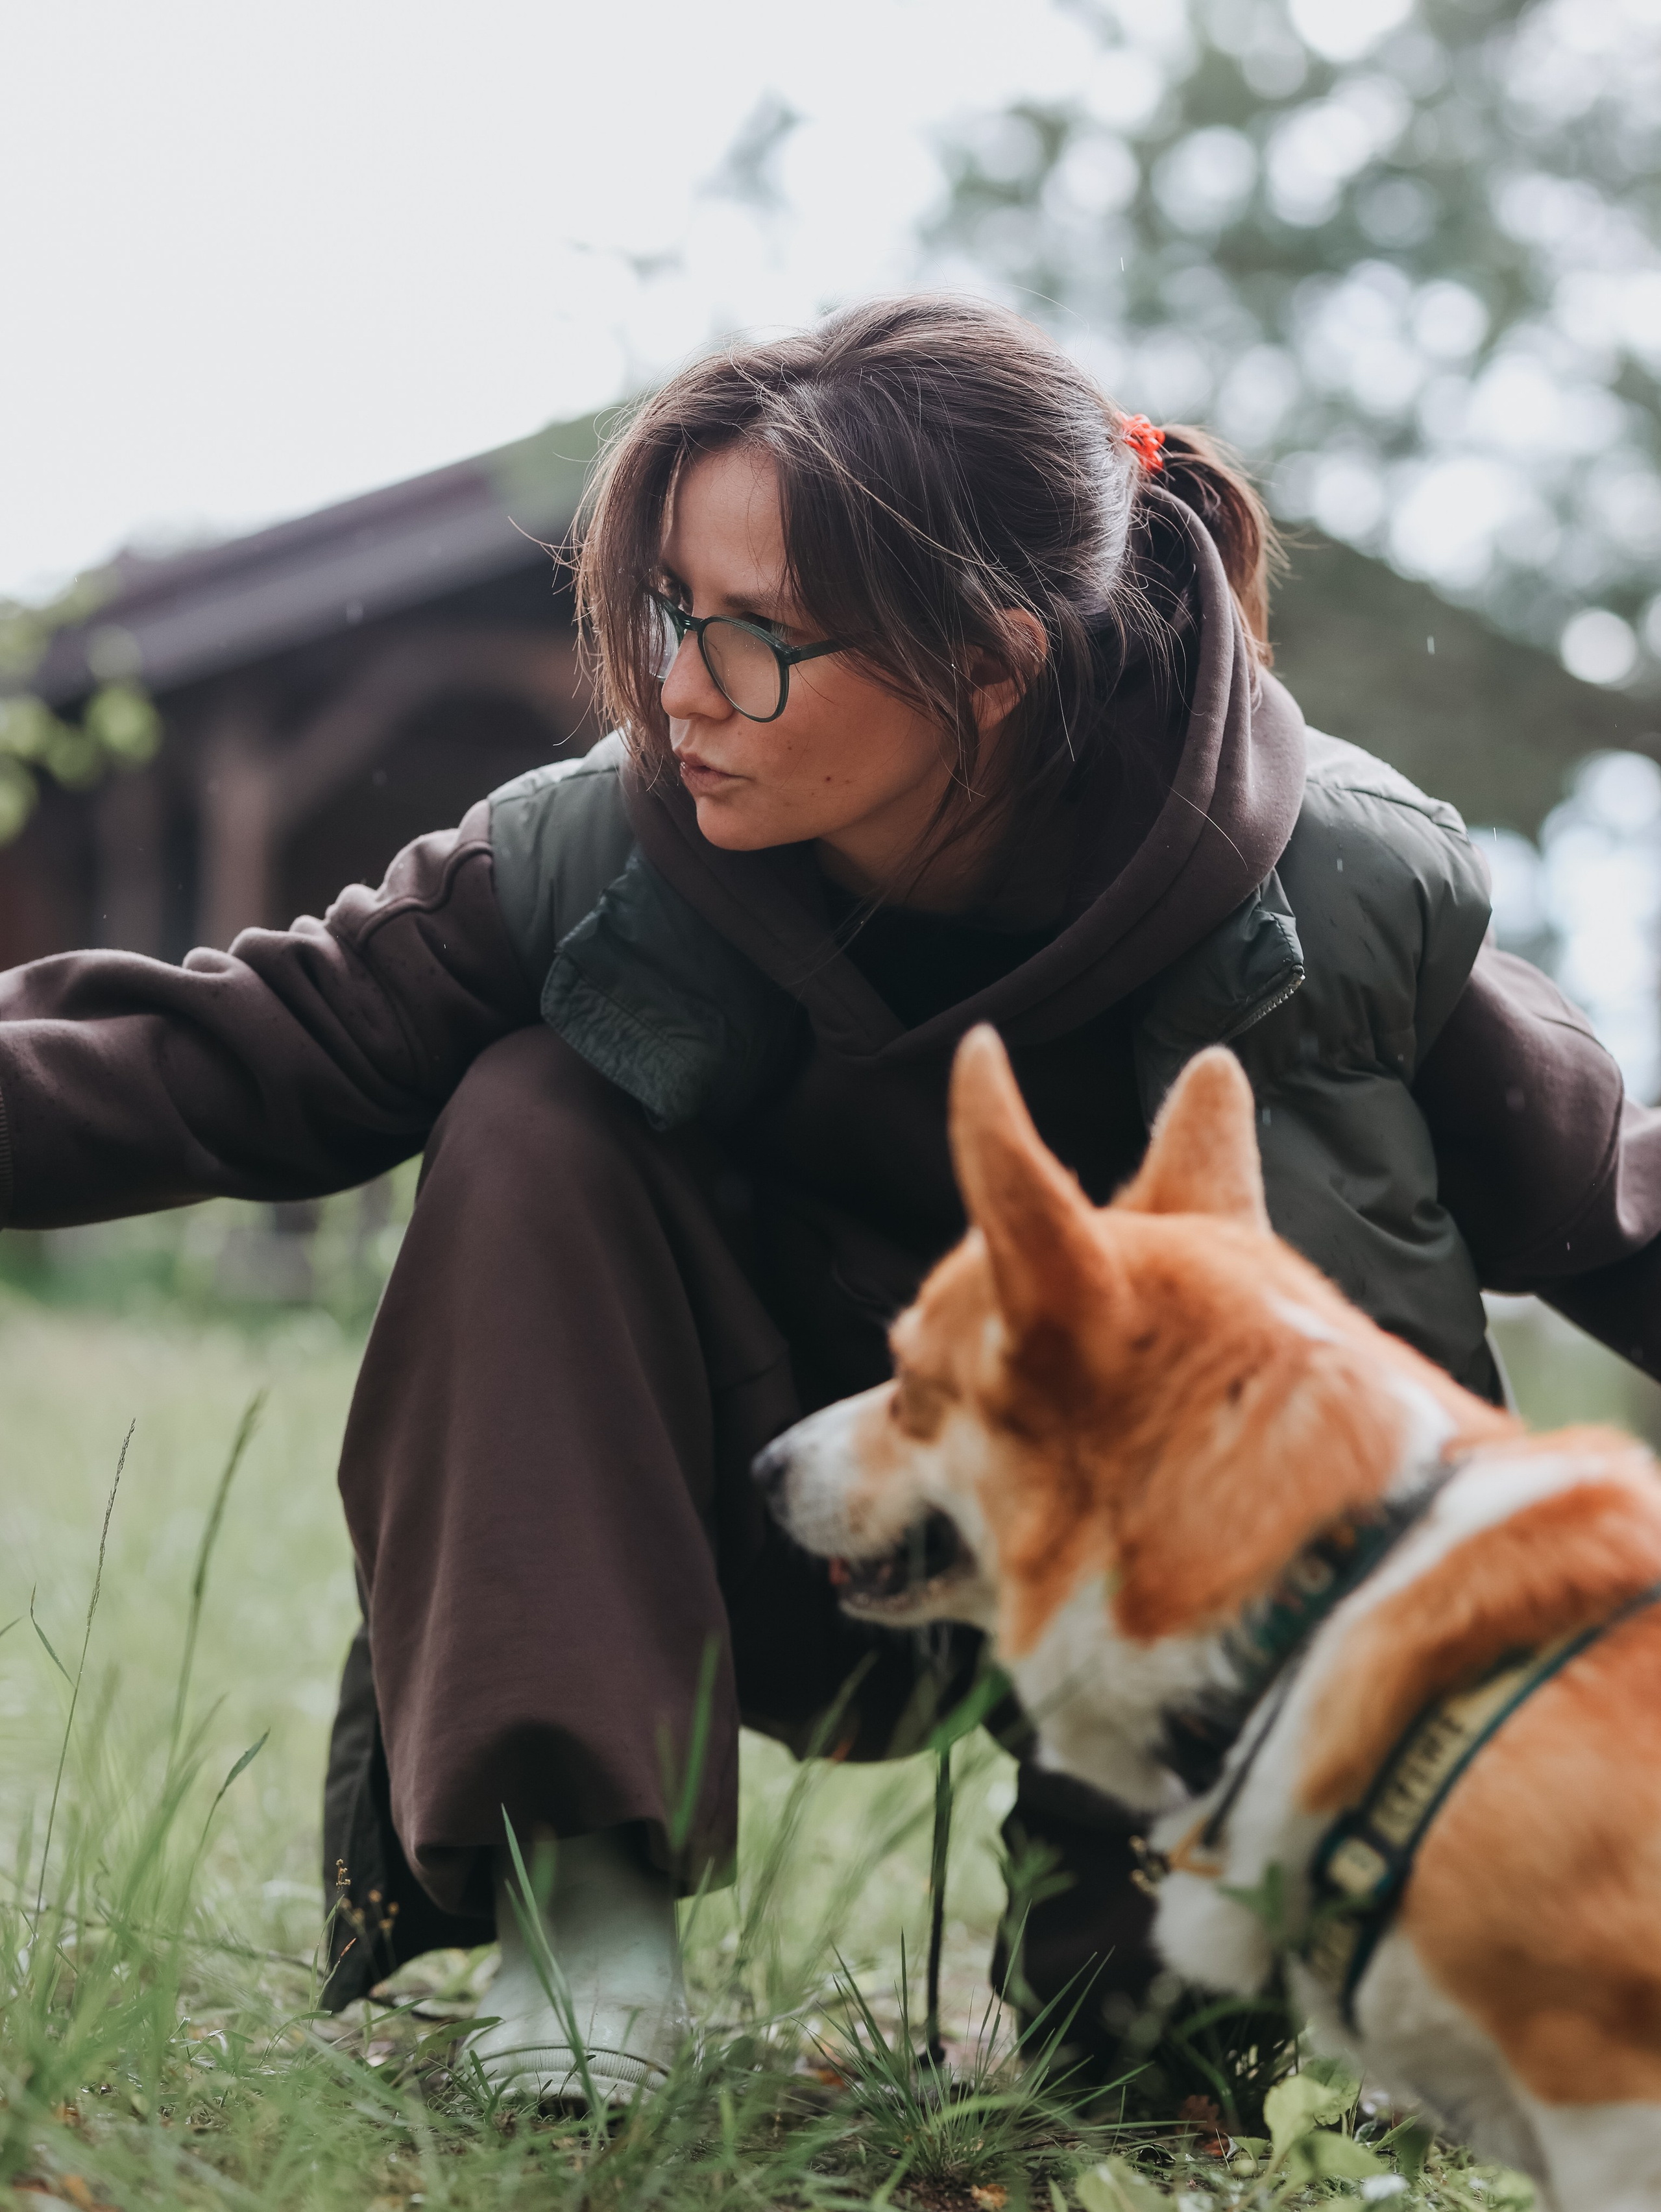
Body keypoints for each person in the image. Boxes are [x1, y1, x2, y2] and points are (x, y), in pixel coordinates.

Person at [3, 295, 1658, 2102]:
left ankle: (1175, 2001)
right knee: (529, 1102)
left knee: (1157, 2097)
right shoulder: (597, 849)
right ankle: (588, 1933)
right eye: (668, 613)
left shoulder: (1322, 895)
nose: (682, 688)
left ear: (994, 659)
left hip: (1164, 1618)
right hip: (747, 1529)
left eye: (762, 639)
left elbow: (1608, 1205)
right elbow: (253, 1046)